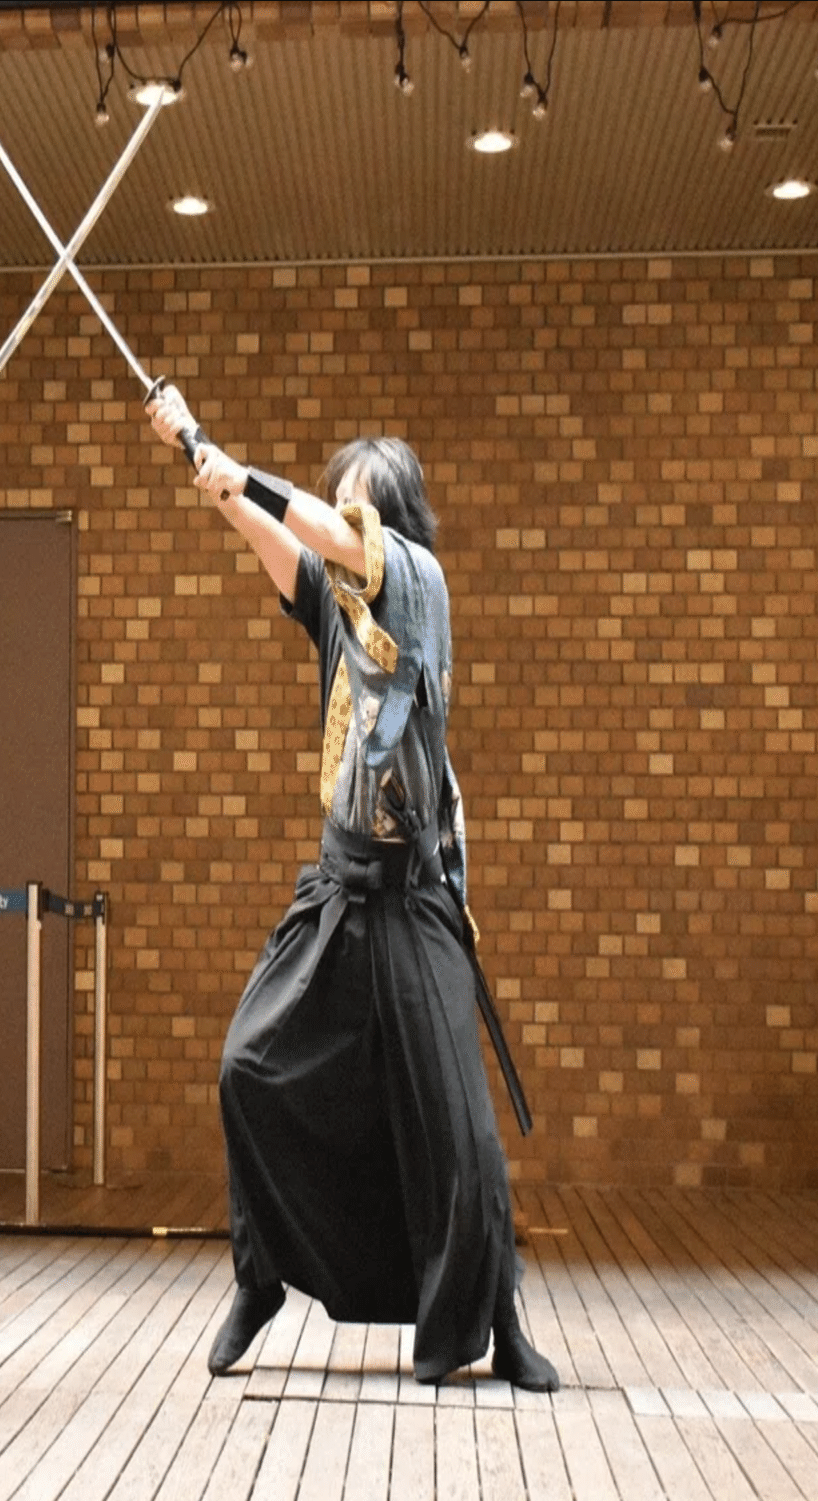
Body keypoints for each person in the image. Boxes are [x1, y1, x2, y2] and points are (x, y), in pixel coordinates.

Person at [148, 386, 558, 1393]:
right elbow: (275, 537)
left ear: (395, 523)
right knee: (247, 1067)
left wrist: (242, 470)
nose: (342, 522)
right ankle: (259, 1278)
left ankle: (499, 1319)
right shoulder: (343, 608)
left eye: (359, 509)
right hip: (339, 888)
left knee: (460, 1132)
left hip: (414, 896)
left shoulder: (416, 582)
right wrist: (197, 449)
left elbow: (320, 529)